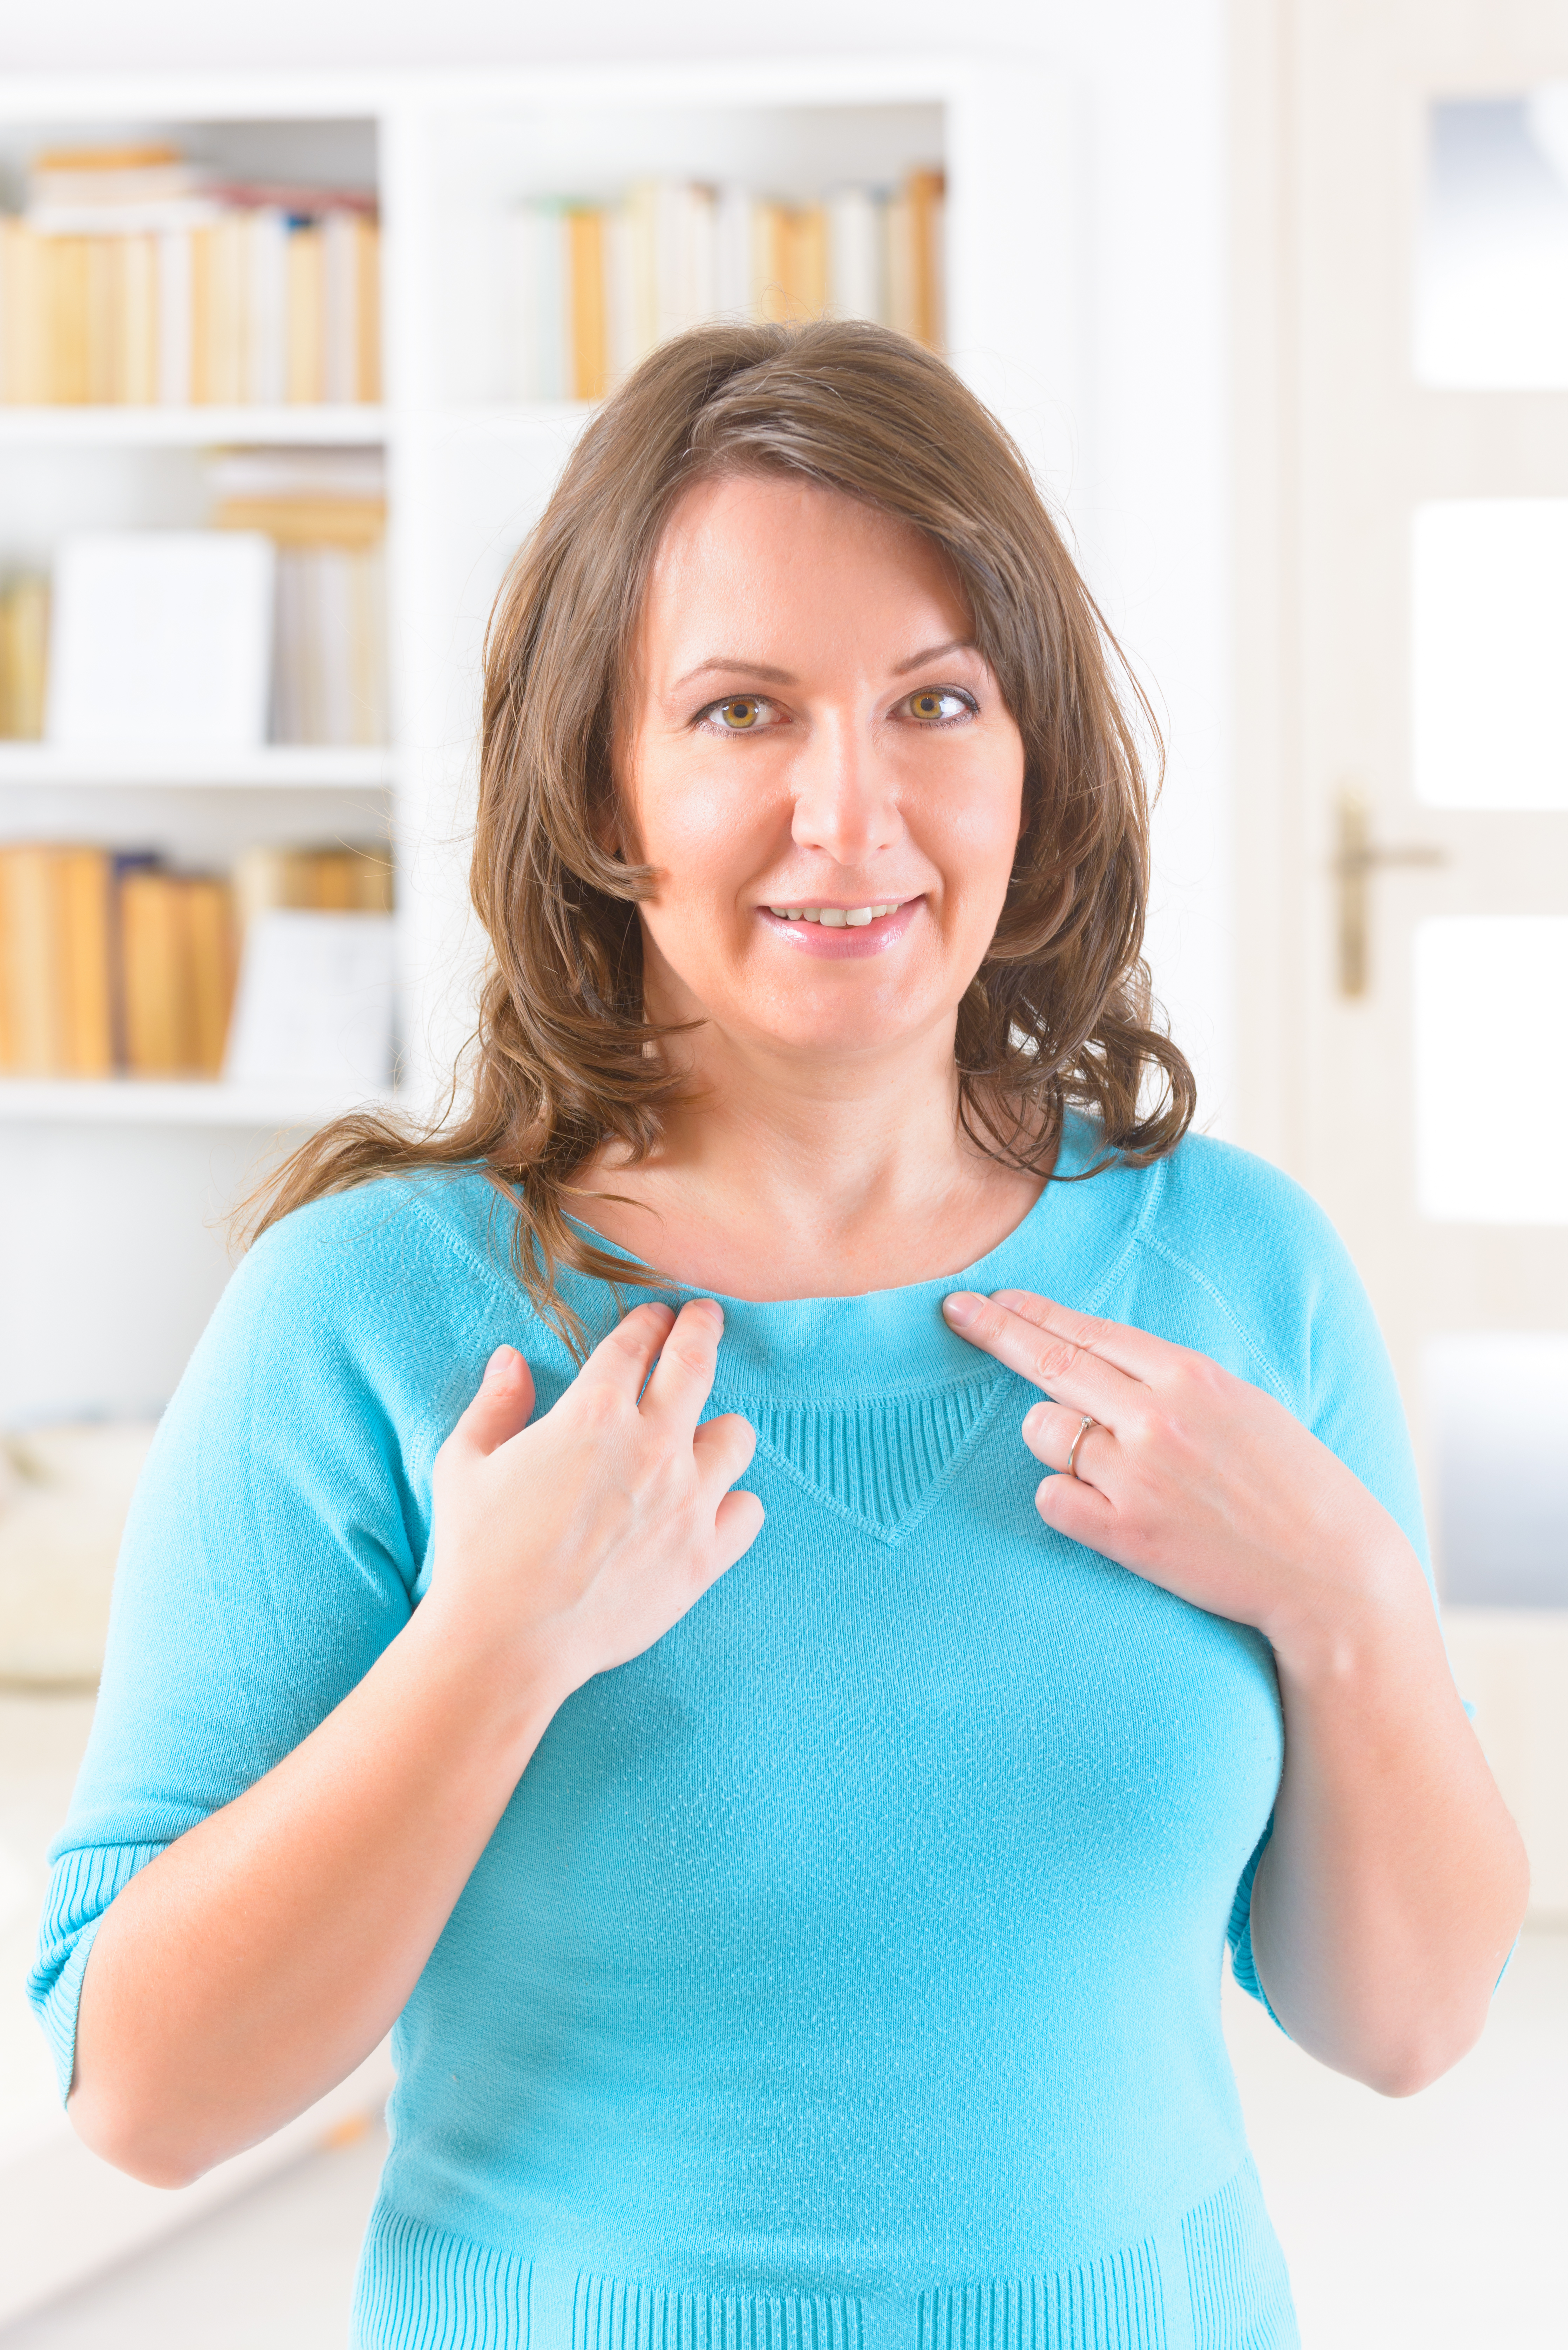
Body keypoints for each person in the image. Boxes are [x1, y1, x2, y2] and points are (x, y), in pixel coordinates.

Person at [31, 320, 1526, 2350]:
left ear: (1032, 762)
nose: (852, 813)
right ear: (597, 790)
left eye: (936, 702)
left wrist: (1348, 1600)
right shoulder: (382, 1316)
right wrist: (491, 1651)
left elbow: (1411, 2022)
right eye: (743, 713)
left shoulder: (1241, 1275)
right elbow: (144, 2094)